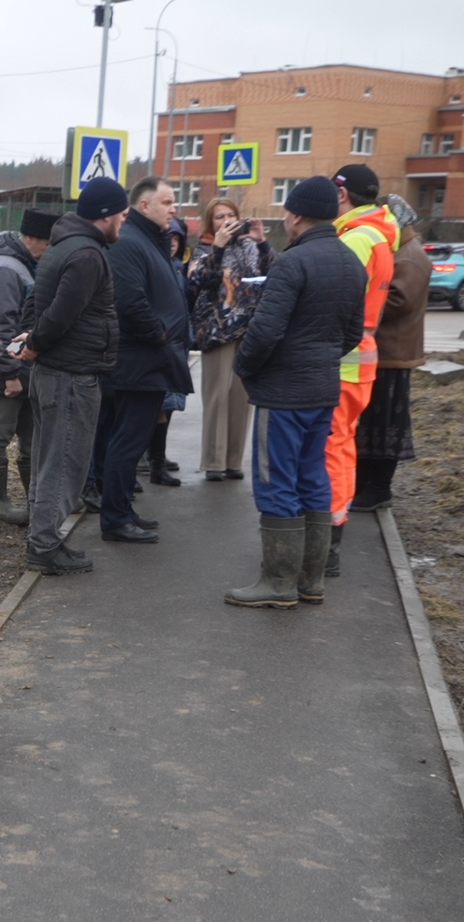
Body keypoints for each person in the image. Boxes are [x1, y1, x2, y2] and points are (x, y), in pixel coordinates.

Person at [224, 175, 367, 609]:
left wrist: (244, 367)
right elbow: (353, 333)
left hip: (283, 392)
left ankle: (278, 583)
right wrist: (321, 359)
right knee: (313, 478)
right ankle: (311, 581)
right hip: (323, 388)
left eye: (287, 211)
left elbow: (265, 330)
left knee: (275, 482)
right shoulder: (350, 262)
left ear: (298, 215)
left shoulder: (291, 262)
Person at [16, 176, 127, 575]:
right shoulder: (87, 255)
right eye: (122, 216)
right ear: (105, 216)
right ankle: (44, 545)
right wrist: (38, 341)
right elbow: (63, 311)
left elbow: (35, 303)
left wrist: (33, 338)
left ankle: (43, 538)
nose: (123, 223)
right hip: (70, 375)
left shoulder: (61, 246)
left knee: (49, 461)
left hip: (55, 372)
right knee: (63, 464)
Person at [98, 176, 193, 544]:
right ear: (144, 206)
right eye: (167, 202)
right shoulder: (130, 244)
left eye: (174, 202)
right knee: (126, 442)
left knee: (132, 441)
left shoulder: (148, 241)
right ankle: (115, 518)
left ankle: (123, 509)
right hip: (139, 362)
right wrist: (161, 336)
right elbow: (129, 301)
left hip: (152, 361)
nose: (174, 209)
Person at [322, 163, 399, 574]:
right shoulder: (381, 235)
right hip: (361, 359)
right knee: (344, 447)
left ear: (341, 193)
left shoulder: (355, 240)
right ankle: (334, 528)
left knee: (332, 448)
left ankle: (328, 542)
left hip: (342, 360)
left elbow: (332, 302)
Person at [0, 210, 58, 525]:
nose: (52, 249)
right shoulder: (5, 269)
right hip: (3, 371)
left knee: (31, 434)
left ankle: (37, 502)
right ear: (33, 238)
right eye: (49, 242)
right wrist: (11, 373)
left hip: (20, 368)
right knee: (0, 432)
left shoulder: (22, 264)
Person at [352, 194, 432, 512]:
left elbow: (398, 301)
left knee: (386, 425)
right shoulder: (400, 250)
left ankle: (379, 488)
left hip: (393, 353)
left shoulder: (409, 255)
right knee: (373, 423)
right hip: (384, 350)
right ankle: (367, 485)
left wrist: (366, 300)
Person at [188, 198, 275, 481]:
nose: (225, 221)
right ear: (209, 223)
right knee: (216, 396)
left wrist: (262, 242)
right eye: (218, 217)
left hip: (248, 330)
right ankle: (214, 462)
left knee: (241, 396)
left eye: (230, 215)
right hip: (217, 330)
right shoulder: (204, 249)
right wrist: (218, 246)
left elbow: (273, 274)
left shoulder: (250, 247)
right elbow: (202, 279)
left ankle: (233, 460)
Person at [146, 219, 193, 487]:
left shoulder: (178, 268)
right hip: (164, 344)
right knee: (160, 405)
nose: (173, 244)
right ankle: (154, 462)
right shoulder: (158, 267)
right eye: (169, 238)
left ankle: (157, 458)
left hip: (178, 344)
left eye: (177, 239)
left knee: (170, 404)